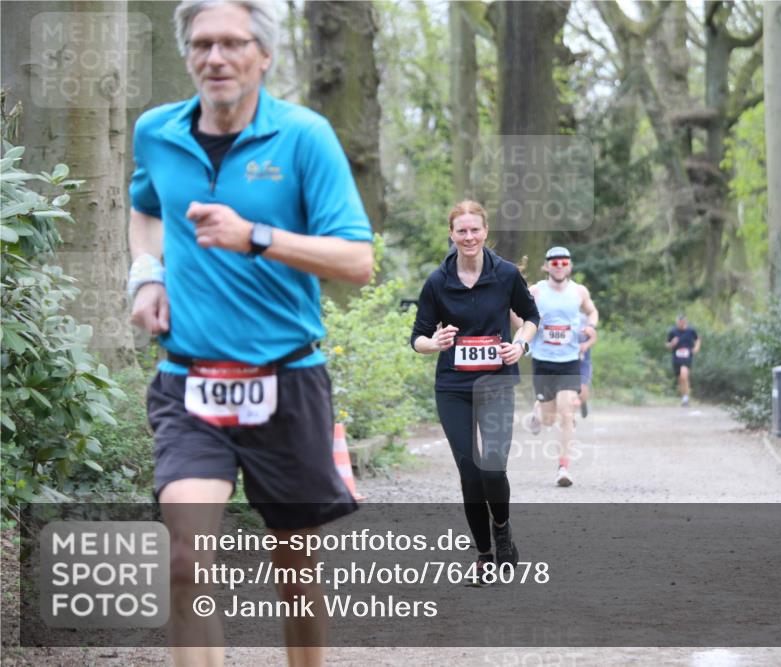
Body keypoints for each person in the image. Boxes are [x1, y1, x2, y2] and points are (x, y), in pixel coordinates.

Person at [127, 1, 373, 664]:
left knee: (295, 567)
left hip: (287, 380)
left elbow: (357, 260)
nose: (217, 57)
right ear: (187, 54)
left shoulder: (304, 137)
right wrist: (146, 276)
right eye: (203, 44)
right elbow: (146, 207)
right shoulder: (156, 132)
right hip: (190, 383)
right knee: (184, 558)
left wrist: (254, 236)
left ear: (263, 55)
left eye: (233, 43)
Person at [410, 201, 539, 584]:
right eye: (461, 231)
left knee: (493, 468)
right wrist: (434, 343)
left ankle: (502, 528)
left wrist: (520, 345)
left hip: (497, 382)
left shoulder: (504, 275)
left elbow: (531, 318)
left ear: (485, 232)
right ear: (451, 234)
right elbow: (417, 337)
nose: (468, 237)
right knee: (470, 471)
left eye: (475, 230)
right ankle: (484, 554)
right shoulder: (438, 281)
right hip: (453, 387)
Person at [526, 247, 598, 487]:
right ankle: (538, 412)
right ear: (546, 266)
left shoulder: (579, 291)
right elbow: (516, 314)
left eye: (563, 262)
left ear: (570, 266)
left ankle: (563, 468)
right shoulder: (535, 291)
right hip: (543, 361)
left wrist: (592, 326)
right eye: (554, 262)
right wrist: (531, 324)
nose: (559, 266)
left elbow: (592, 311)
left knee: (567, 412)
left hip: (569, 361)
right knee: (549, 419)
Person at [666, 314, 701, 406]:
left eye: (683, 322)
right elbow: (667, 345)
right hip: (676, 357)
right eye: (679, 322)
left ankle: (686, 398)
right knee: (680, 379)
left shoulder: (691, 331)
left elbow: (697, 339)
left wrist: (696, 348)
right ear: (677, 322)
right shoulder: (673, 332)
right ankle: (684, 398)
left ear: (685, 322)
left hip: (687, 356)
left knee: (684, 376)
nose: (681, 324)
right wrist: (672, 343)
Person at [575, 312, 597, 418]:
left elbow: (594, 337)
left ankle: (583, 403)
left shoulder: (583, 319)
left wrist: (586, 345)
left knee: (582, 390)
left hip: (583, 361)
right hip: (565, 360)